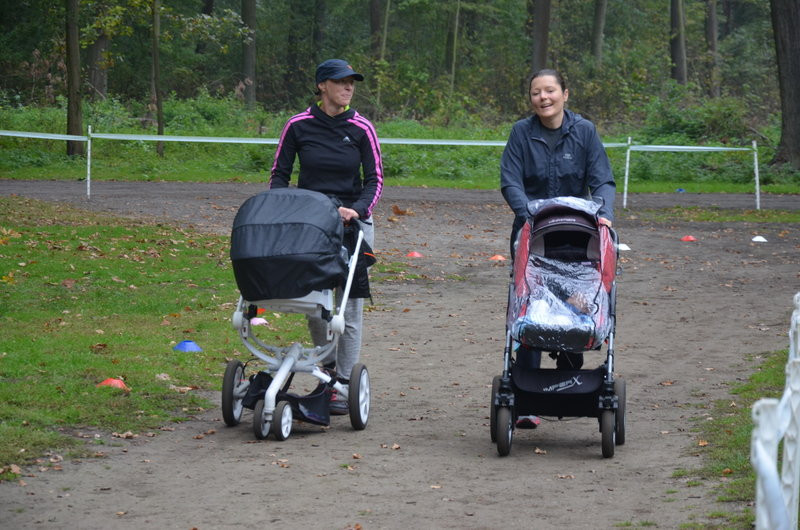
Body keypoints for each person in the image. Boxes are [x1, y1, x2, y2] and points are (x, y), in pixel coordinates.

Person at [500, 69, 615, 428]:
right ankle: (527, 397)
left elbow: (602, 180)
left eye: (550, 90)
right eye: (536, 92)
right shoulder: (521, 133)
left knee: (574, 302)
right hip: (532, 234)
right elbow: (510, 180)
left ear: (565, 93)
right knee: (531, 303)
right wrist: (528, 214)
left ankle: (570, 371)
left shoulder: (584, 132)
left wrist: (604, 215)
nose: (543, 97)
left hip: (576, 236)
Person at [269, 58, 383, 415]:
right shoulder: (298, 125)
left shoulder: (362, 127)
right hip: (311, 224)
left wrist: (358, 210)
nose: (348, 87)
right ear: (322, 85)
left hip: (352, 224)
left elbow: (375, 180)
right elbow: (279, 175)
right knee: (315, 307)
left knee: (348, 309)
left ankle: (345, 383)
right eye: (340, 81)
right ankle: (328, 372)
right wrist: (284, 211)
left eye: (352, 82)